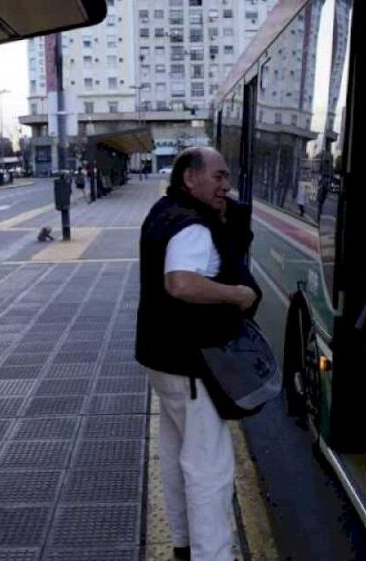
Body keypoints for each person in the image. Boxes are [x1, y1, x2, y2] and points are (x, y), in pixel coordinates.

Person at [136, 147, 260, 561]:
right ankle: (213, 555)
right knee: (209, 469)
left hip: (162, 358)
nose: (226, 186)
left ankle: (184, 544)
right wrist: (237, 294)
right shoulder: (193, 226)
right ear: (191, 178)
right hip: (191, 364)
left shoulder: (164, 210)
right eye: (219, 176)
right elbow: (181, 283)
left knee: (175, 455)